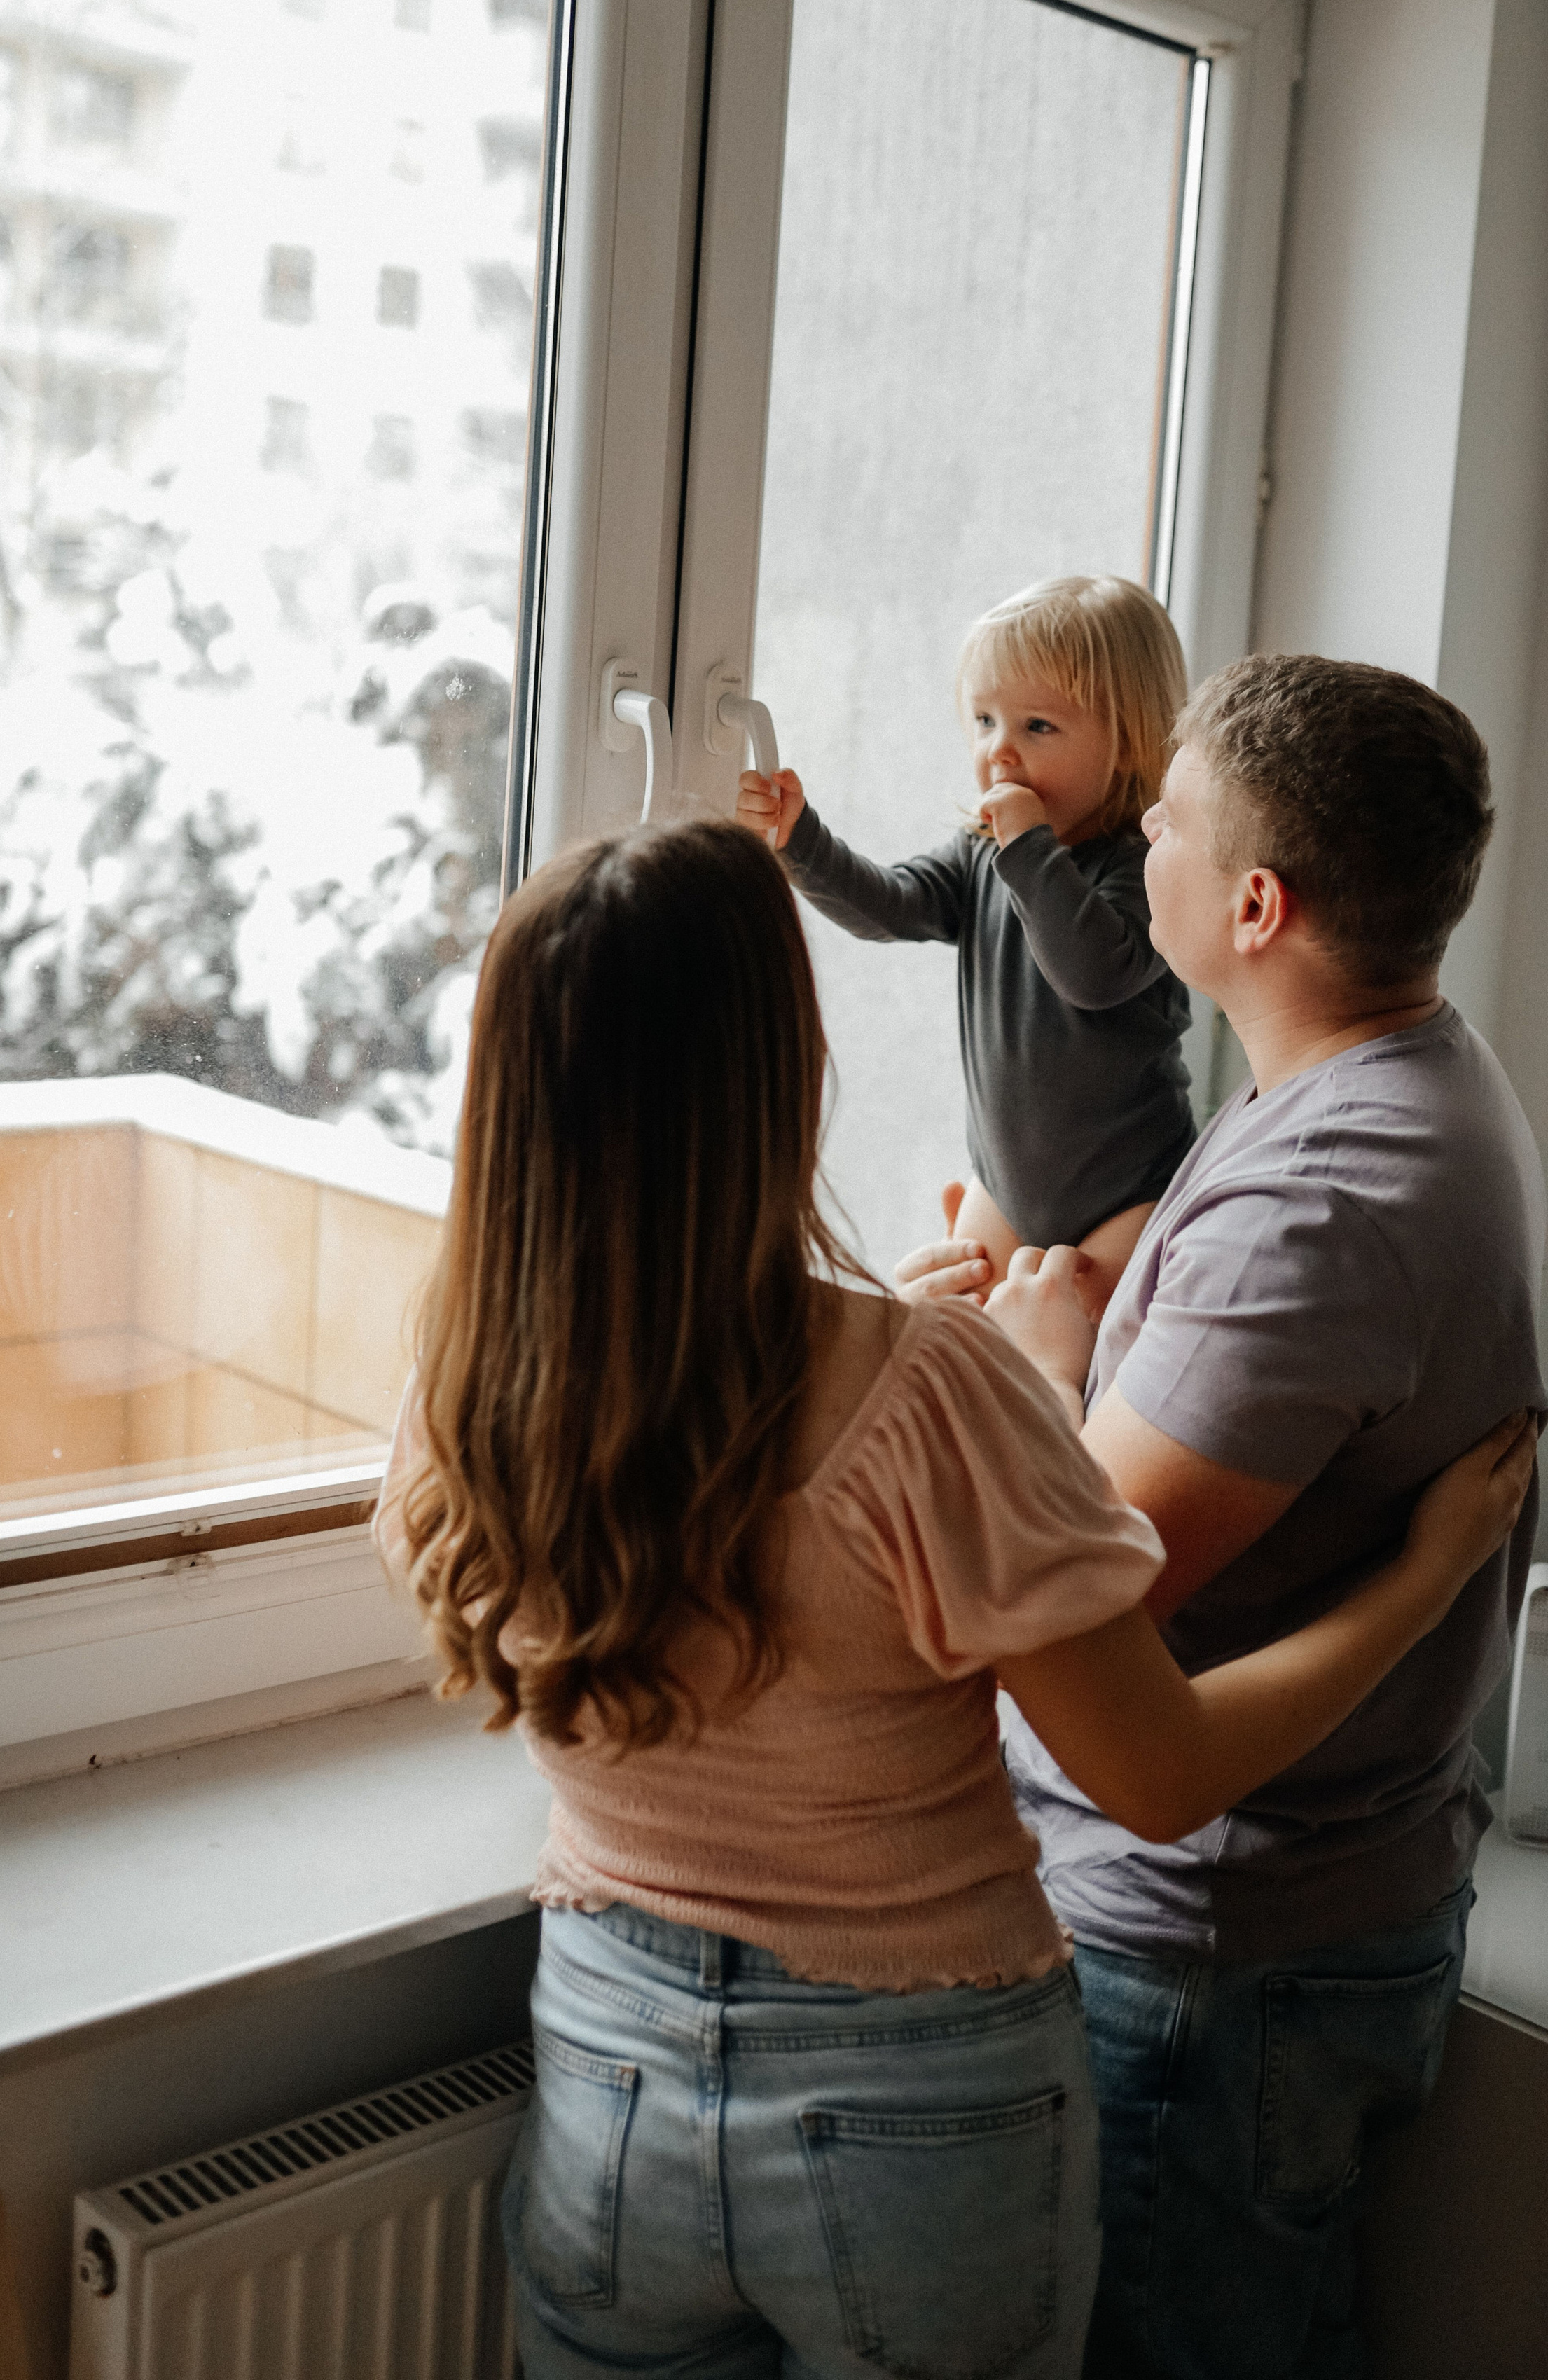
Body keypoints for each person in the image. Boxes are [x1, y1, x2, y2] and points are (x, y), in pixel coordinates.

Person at [376, 814, 1533, 2380]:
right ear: (783, 1070)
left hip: (606, 2061)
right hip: (914, 2096)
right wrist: (1428, 1572)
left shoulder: (456, 1396)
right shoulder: (924, 1394)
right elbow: (1158, 1771)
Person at [901, 654, 1547, 2380]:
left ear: (1255, 906)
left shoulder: (1324, 1198)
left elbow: (1086, 1590)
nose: (1134, 848)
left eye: (1164, 825)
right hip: (1302, 1919)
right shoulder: (1383, 1063)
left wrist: (1040, 1378)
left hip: (1213, 1960)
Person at [737, 573, 1194, 1313]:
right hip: (1006, 1190)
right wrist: (801, 840)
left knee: (1084, 1341)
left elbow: (1091, 972)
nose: (999, 752)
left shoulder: (1145, 868)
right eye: (984, 721)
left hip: (1131, 1192)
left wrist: (1029, 847)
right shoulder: (982, 855)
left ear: (1128, 740)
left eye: (1036, 727)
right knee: (963, 1330)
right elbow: (889, 905)